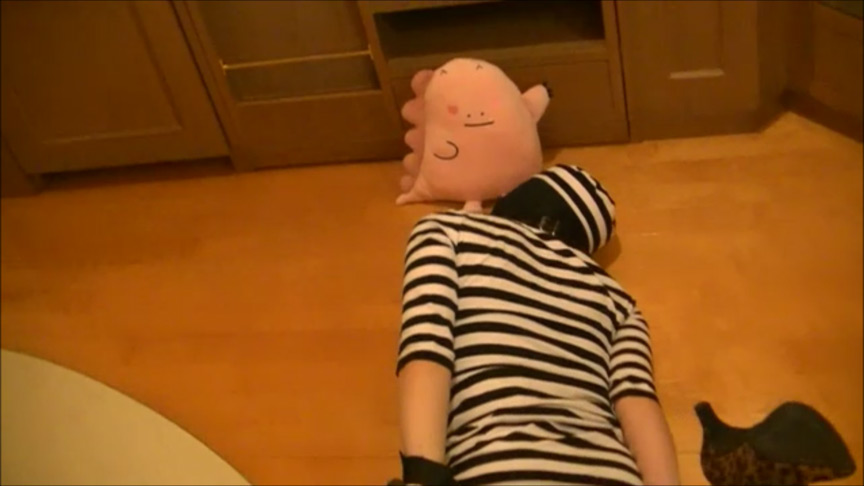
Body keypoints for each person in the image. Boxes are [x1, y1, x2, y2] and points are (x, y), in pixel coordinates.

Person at [395, 165, 680, 485]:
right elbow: (639, 404)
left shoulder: (448, 231)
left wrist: (423, 474)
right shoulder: (620, 301)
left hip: (497, 465)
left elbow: (427, 347)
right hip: (611, 472)